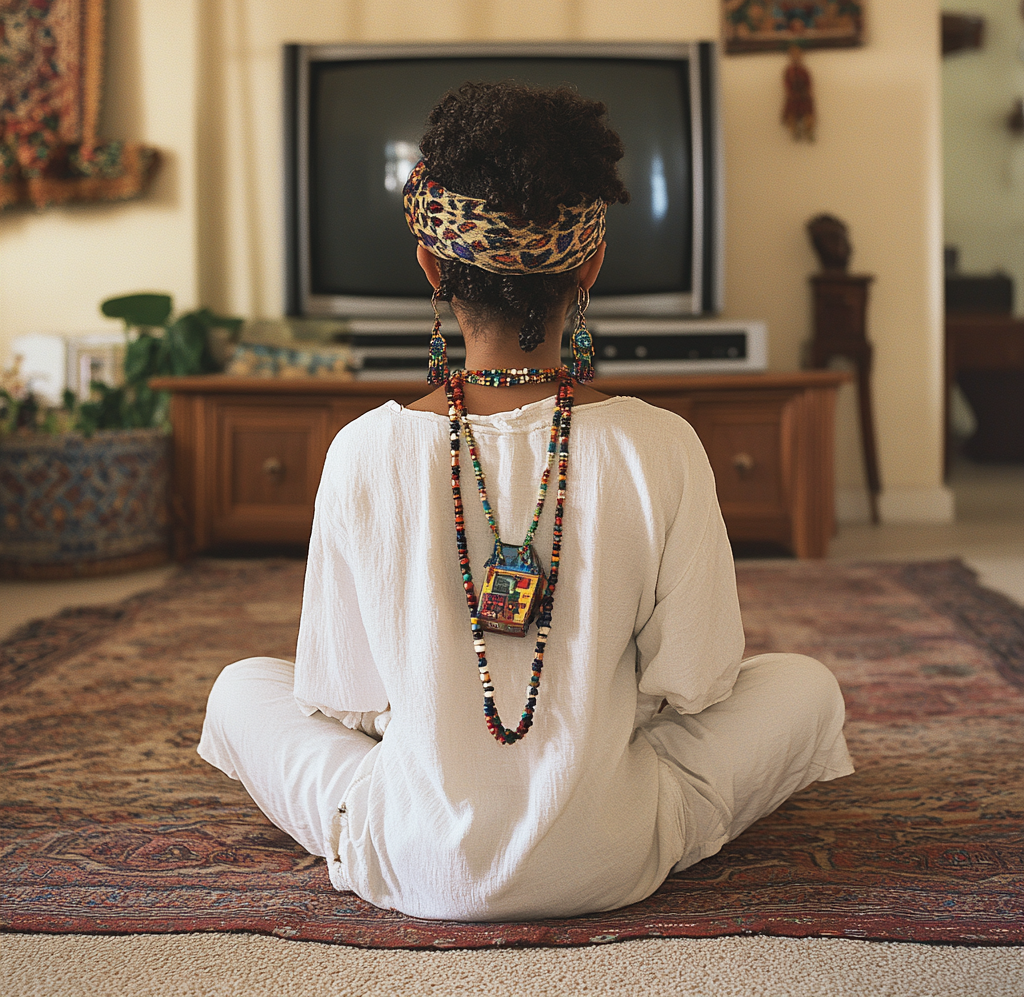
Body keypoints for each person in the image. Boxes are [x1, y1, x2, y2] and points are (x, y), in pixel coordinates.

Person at [198, 81, 853, 921]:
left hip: (407, 856)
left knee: (240, 688)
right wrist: (581, 709)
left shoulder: (362, 448)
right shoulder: (660, 444)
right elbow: (698, 682)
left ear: (432, 265)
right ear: (591, 264)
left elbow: (348, 695)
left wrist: (453, 705)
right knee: (804, 686)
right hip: (616, 855)